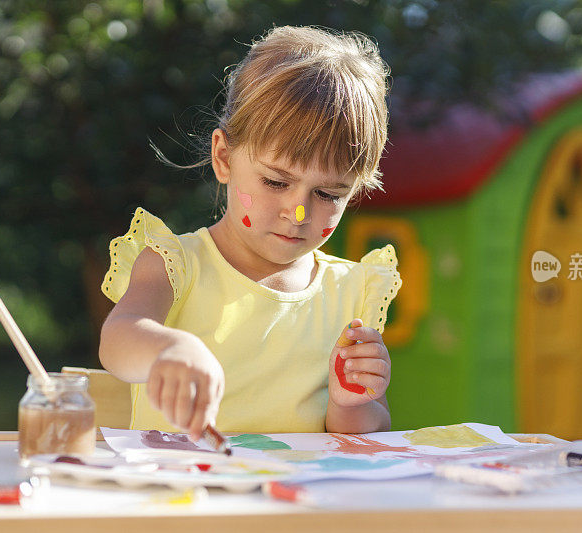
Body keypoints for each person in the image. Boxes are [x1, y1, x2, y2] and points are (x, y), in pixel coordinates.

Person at [98, 26, 401, 442]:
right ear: (224, 158)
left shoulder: (351, 293)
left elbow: (361, 438)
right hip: (185, 496)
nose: (298, 213)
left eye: (328, 193)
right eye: (276, 182)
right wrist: (165, 349)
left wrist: (354, 401)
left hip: (296, 502)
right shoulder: (175, 264)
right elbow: (117, 340)